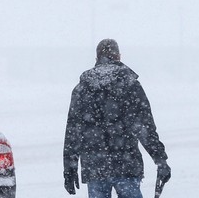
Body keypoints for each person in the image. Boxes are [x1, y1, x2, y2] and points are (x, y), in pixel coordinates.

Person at [63, 39, 171, 198]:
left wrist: (69, 168)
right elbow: (145, 127)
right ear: (118, 56)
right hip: (126, 163)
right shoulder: (130, 84)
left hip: (95, 166)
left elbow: (73, 131)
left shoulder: (82, 88)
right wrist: (160, 160)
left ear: (97, 58)